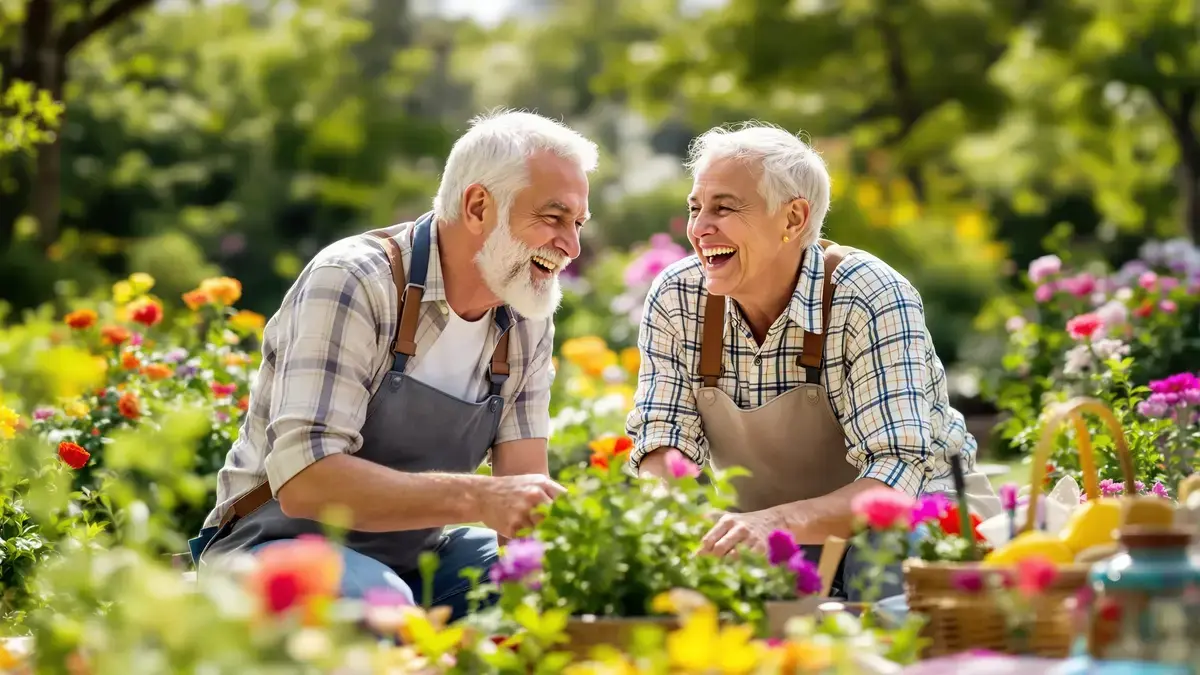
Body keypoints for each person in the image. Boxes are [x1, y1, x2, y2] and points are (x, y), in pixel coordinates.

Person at [191, 110, 599, 619]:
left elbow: (523, 493)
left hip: (411, 561)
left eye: (577, 224)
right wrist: (478, 497)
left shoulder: (524, 316)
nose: (571, 246)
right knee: (383, 605)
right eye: (554, 218)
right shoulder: (355, 281)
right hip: (271, 548)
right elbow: (305, 481)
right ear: (478, 207)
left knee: (561, 588)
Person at [625, 122, 1000, 600]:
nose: (699, 229)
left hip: (918, 516)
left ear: (793, 219)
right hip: (771, 527)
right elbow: (662, 440)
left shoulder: (869, 295)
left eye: (724, 208)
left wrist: (776, 523)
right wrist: (693, 524)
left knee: (879, 567)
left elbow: (896, 475)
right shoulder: (678, 296)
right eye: (696, 208)